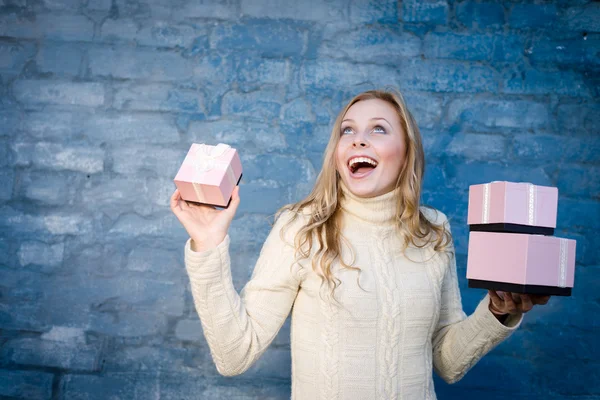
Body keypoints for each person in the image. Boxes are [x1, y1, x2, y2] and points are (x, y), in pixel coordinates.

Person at [170, 89, 550, 399]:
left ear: (406, 154)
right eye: (347, 131)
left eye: (379, 129)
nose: (359, 139)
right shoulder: (302, 227)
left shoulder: (434, 231)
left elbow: (447, 362)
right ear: (337, 156)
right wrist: (207, 244)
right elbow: (234, 355)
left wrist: (498, 312)